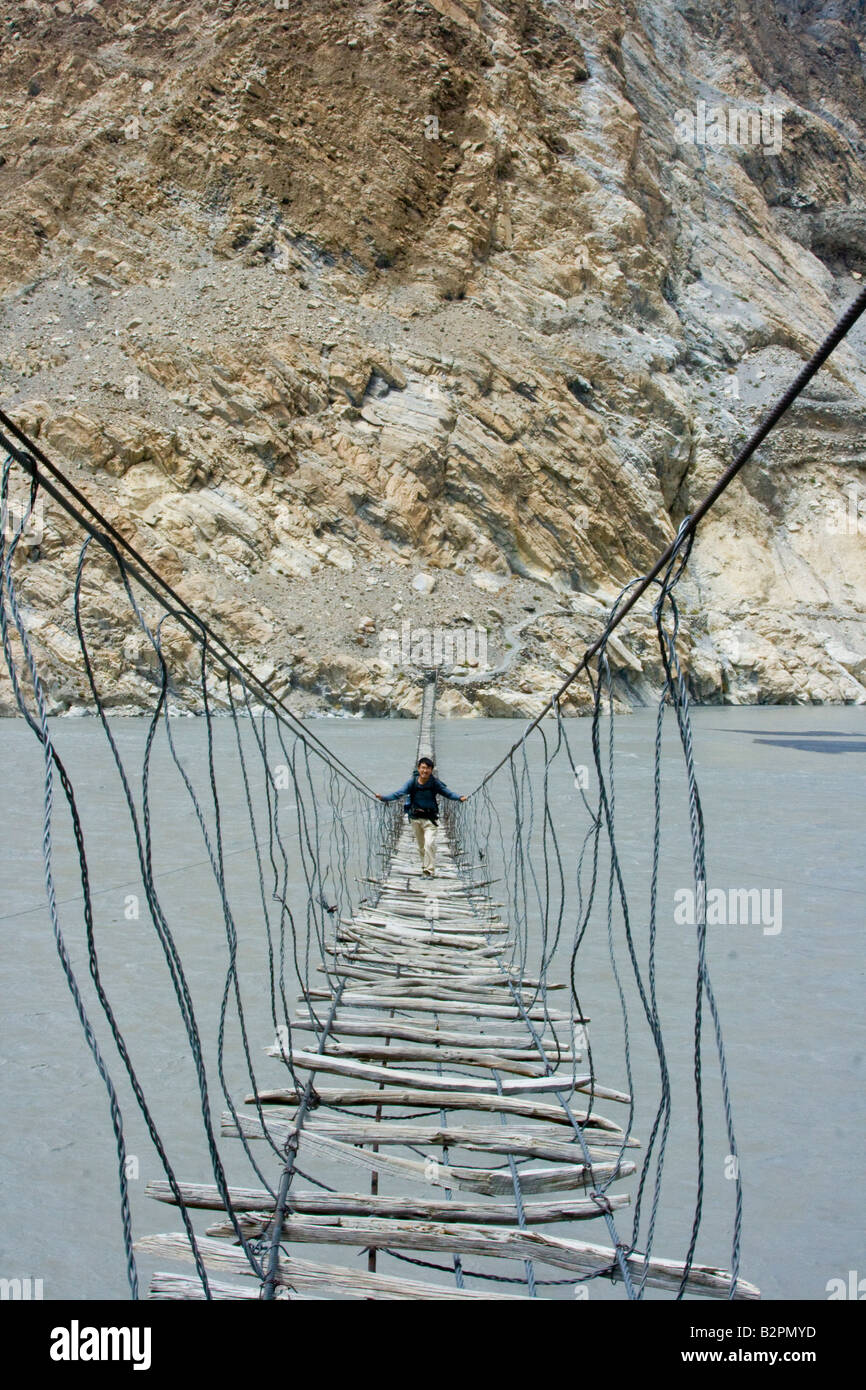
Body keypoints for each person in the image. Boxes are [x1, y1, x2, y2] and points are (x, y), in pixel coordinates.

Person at [376, 756, 467, 877]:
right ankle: (425, 866)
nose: (425, 771)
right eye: (423, 768)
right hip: (415, 818)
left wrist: (459, 798)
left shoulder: (434, 783)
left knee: (429, 844)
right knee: (421, 846)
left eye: (428, 768)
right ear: (418, 769)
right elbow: (399, 793)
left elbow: (447, 793)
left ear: (431, 770)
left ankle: (428, 871)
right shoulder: (412, 783)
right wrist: (384, 798)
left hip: (431, 819)